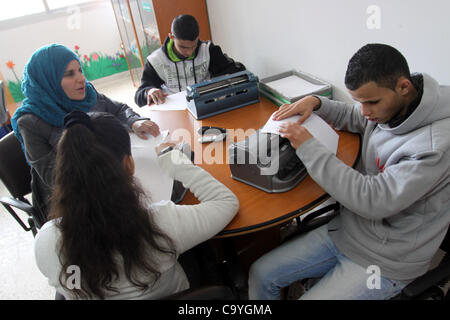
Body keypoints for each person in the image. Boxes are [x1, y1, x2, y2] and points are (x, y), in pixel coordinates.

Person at [248, 43, 450, 299]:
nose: (365, 112)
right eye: (360, 101)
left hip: (387, 259)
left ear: (403, 86)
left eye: (371, 102)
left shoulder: (435, 146)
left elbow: (373, 199)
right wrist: (316, 103)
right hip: (349, 230)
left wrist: (309, 147)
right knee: (260, 273)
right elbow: (355, 115)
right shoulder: (394, 105)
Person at [34, 111, 239, 299]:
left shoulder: (47, 242)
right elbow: (226, 202)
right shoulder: (160, 222)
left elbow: (72, 287)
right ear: (129, 164)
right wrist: (176, 162)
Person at [11, 44, 160, 220]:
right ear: (48, 80)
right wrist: (107, 169)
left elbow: (119, 109)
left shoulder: (87, 94)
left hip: (109, 178)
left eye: (80, 70)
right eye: (69, 74)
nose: (81, 78)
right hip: (71, 201)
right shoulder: (30, 122)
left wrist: (134, 121)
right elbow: (54, 178)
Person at [134, 14, 246, 106]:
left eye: (194, 46)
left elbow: (235, 70)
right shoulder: (156, 60)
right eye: (183, 47)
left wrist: (218, 81)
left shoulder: (208, 50)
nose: (189, 52)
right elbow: (139, 97)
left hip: (207, 105)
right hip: (175, 110)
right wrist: (148, 92)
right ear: (172, 37)